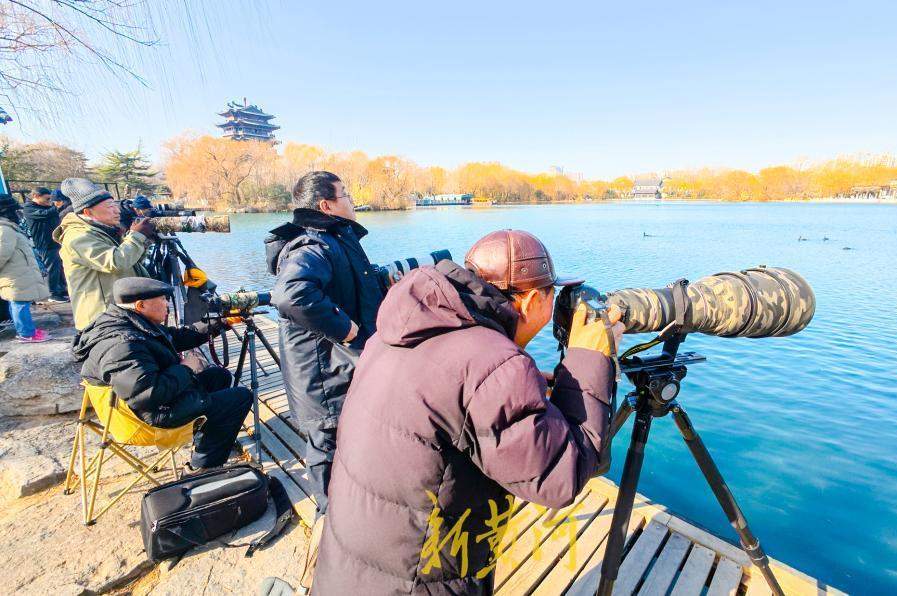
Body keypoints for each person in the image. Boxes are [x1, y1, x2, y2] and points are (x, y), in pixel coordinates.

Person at [312, 229, 623, 595]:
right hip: (417, 579)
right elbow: (562, 476)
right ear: (532, 300)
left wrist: (528, 383)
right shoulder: (494, 366)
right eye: (555, 294)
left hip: (352, 565)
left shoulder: (401, 328)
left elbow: (446, 391)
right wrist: (590, 357)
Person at [265, 171, 385, 517]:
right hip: (322, 371)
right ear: (326, 205)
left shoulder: (335, 237)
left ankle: (353, 513)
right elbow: (291, 294)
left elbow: (342, 284)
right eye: (345, 194)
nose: (352, 200)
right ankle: (329, 520)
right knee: (327, 443)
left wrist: (378, 278)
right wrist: (346, 329)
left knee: (350, 437)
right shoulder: (312, 243)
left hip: (340, 363)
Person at [73, 277, 252, 471]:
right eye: (163, 300)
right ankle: (201, 469)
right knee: (240, 397)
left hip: (151, 403)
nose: (168, 304)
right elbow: (150, 393)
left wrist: (221, 322)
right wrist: (187, 368)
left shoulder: (129, 321)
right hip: (150, 419)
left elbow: (175, 337)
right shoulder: (122, 344)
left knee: (219, 376)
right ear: (141, 305)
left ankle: (209, 443)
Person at [54, 178, 157, 330]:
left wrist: (145, 240)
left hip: (116, 312)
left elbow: (131, 262)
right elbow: (116, 262)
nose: (117, 211)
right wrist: (136, 236)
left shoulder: (102, 229)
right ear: (87, 211)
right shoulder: (78, 236)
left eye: (116, 205)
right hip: (101, 318)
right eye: (110, 207)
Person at [0, 194, 51, 343]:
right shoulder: (4, 229)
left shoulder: (8, 227)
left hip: (19, 274)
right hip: (15, 276)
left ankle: (26, 330)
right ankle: (26, 333)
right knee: (20, 304)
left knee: (17, 303)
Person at [21, 187, 69, 302]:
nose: (50, 201)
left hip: (55, 241)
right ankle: (52, 293)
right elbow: (45, 214)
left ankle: (61, 289)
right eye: (47, 199)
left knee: (59, 268)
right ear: (36, 196)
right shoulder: (29, 208)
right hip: (44, 243)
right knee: (51, 268)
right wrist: (57, 206)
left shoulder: (47, 206)